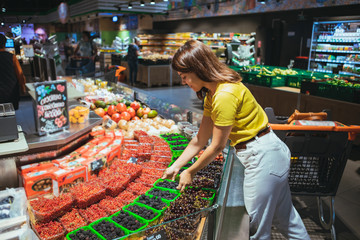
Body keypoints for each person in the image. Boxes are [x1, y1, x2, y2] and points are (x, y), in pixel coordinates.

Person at [162, 40, 310, 240]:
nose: (183, 82)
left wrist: (190, 171)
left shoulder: (224, 95)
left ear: (198, 68)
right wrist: (177, 165)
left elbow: (217, 146)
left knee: (256, 230)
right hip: (268, 152)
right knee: (286, 219)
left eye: (184, 76)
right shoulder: (212, 94)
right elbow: (199, 140)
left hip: (263, 157)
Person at [0, 34, 26, 110]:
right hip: (11, 92)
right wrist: (22, 88)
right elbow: (20, 75)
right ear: (4, 44)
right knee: (11, 113)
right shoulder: (12, 57)